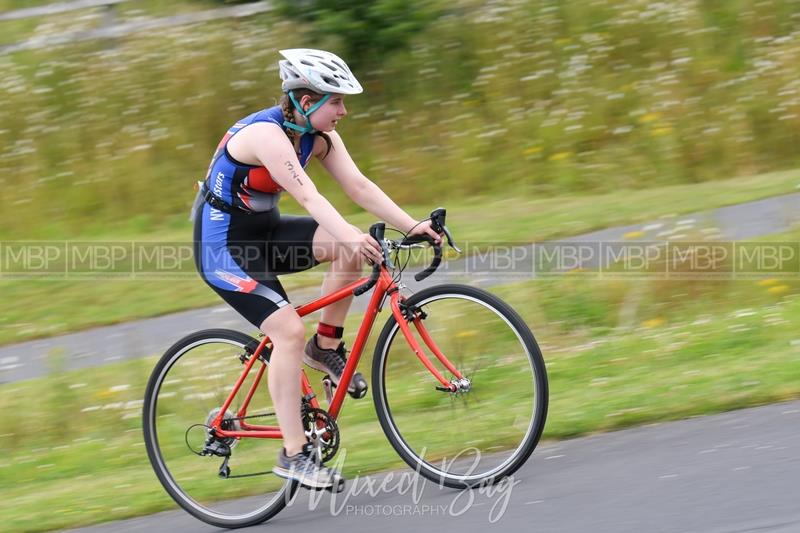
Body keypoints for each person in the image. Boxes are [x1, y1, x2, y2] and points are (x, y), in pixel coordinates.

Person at [192, 48, 442, 490]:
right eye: (337, 101)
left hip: (266, 234)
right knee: (287, 330)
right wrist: (348, 232)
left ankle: (325, 347)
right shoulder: (266, 135)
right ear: (306, 101)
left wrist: (413, 224)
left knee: (353, 249)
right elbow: (310, 198)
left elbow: (359, 186)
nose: (344, 111)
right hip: (223, 249)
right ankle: (293, 454)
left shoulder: (318, 135)